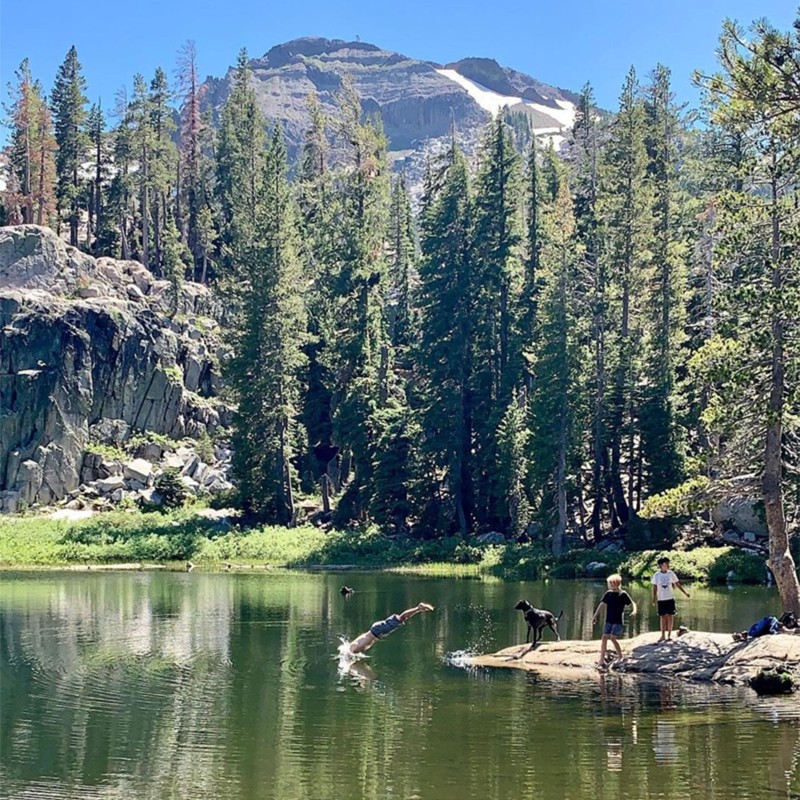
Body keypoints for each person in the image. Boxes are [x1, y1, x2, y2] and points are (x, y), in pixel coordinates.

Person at [344, 602, 434, 656]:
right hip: (376, 630)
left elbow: (358, 644)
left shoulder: (353, 649)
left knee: (401, 618)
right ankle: (418, 608)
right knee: (401, 619)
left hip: (377, 631)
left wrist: (346, 656)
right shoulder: (354, 648)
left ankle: (418, 608)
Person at [592, 573, 637, 668]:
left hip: (617, 621)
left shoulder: (623, 594)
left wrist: (634, 610)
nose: (608, 585)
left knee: (612, 638)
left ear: (615, 584)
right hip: (608, 620)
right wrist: (595, 615)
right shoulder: (608, 594)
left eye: (609, 583)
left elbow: (632, 603)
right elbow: (602, 605)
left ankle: (620, 655)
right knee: (604, 637)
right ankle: (601, 659)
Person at [651, 557, 690, 642]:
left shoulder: (671, 573)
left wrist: (685, 593)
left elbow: (677, 584)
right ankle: (662, 635)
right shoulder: (656, 575)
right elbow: (654, 587)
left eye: (668, 564)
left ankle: (669, 635)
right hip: (661, 599)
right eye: (666, 564)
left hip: (670, 598)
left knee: (670, 616)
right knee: (662, 617)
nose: (668, 566)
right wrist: (654, 598)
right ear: (661, 565)